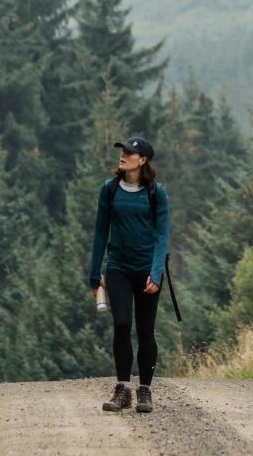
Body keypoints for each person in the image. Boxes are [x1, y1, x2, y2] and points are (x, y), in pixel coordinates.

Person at [87, 136, 170, 414]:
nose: (123, 155)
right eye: (123, 151)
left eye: (130, 152)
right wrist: (93, 273)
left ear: (142, 160)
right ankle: (122, 389)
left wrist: (156, 273)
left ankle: (144, 390)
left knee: (145, 330)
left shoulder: (156, 193)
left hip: (147, 270)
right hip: (118, 267)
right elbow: (101, 232)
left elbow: (162, 236)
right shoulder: (109, 190)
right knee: (122, 324)